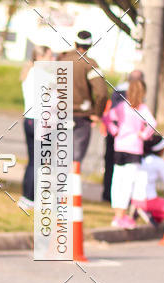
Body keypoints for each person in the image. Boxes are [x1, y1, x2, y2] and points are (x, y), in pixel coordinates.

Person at [103, 75, 155, 228]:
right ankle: (121, 215)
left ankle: (117, 215)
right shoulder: (142, 109)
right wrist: (144, 135)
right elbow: (152, 123)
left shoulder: (122, 106)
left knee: (117, 181)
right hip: (134, 149)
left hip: (119, 147)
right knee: (127, 183)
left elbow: (107, 117)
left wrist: (114, 130)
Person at [58, 30, 108, 163]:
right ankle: (74, 176)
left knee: (57, 158)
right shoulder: (90, 64)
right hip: (82, 117)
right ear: (90, 45)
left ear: (75, 43)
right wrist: (97, 113)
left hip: (58, 114)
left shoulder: (60, 60)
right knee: (76, 160)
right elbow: (102, 93)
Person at [19, 44, 53, 211]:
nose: (52, 60)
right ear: (40, 58)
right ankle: (31, 197)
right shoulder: (43, 76)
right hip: (41, 121)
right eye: (49, 57)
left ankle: (27, 196)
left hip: (29, 119)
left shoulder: (29, 72)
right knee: (39, 161)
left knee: (33, 160)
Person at [101, 70, 144, 203]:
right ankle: (126, 199)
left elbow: (108, 114)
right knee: (129, 172)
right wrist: (142, 134)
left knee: (111, 165)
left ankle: (108, 194)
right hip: (132, 141)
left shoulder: (117, 90)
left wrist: (113, 130)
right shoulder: (136, 93)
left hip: (115, 136)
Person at [131, 135, 164, 223]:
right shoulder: (159, 162)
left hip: (134, 200)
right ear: (160, 149)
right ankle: (144, 210)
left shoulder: (140, 158)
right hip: (149, 201)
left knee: (162, 217)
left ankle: (146, 213)